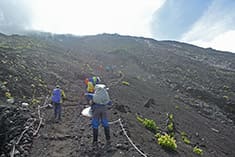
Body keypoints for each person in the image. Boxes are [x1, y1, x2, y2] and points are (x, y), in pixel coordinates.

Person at [91, 84, 112, 149]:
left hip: (96, 110)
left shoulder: (96, 95)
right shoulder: (105, 94)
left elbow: (92, 102)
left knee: (95, 124)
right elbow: (109, 102)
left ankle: (95, 141)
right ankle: (108, 139)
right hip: (104, 109)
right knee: (105, 123)